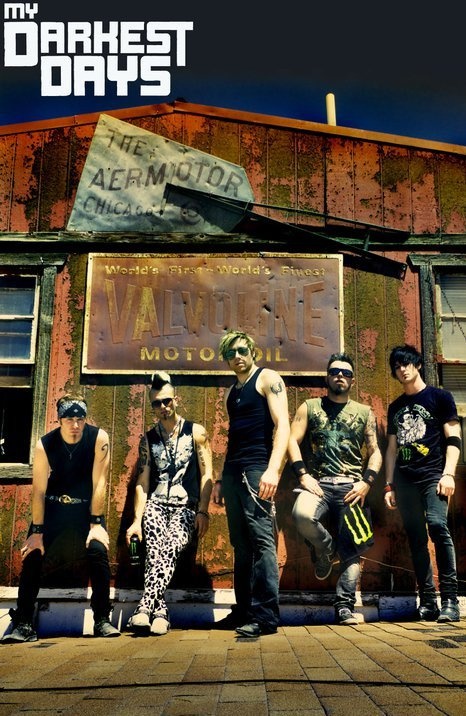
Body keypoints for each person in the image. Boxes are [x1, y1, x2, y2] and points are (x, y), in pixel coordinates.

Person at [2, 394, 120, 643]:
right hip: (54, 508)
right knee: (33, 553)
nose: (75, 424)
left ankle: (102, 619)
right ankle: (23, 623)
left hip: (85, 510)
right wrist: (37, 531)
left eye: (80, 418)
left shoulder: (99, 438)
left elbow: (100, 482)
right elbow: (39, 491)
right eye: (69, 418)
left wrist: (96, 523)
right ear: (60, 419)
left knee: (98, 552)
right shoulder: (45, 444)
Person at [288, 352, 382, 625]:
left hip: (352, 486)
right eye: (334, 371)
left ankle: (344, 607)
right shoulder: (310, 406)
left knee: (353, 550)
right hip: (318, 483)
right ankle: (324, 549)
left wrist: (367, 482)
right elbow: (292, 441)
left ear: (352, 380)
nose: (340, 375)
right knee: (302, 515)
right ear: (327, 376)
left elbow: (375, 451)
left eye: (345, 372)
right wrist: (303, 475)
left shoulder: (364, 412)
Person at [212, 330, 290, 637]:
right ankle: (244, 610)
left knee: (262, 542)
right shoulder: (234, 391)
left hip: (258, 469)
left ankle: (266, 617)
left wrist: (273, 470)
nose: (237, 357)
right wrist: (222, 477)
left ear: (253, 351)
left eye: (242, 350)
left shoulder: (267, 378)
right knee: (240, 545)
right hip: (234, 473)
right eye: (231, 354)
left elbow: (282, 424)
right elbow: (234, 437)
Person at [125, 371, 213, 635]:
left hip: (185, 506)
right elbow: (142, 481)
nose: (162, 407)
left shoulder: (196, 432)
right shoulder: (148, 439)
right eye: (156, 403)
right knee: (154, 550)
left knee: (171, 546)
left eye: (166, 401)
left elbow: (208, 473)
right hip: (156, 503)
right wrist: (136, 520)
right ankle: (160, 613)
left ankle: (144, 607)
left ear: (176, 400)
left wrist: (203, 511)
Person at [385, 344, 462, 622]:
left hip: (433, 476)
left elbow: (454, 439)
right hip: (405, 481)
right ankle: (428, 601)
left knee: (439, 527)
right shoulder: (395, 407)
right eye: (397, 366)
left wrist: (449, 473)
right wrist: (389, 485)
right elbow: (392, 449)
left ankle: (451, 601)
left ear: (417, 365)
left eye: (406, 364)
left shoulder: (440, 397)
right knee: (416, 538)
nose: (402, 369)